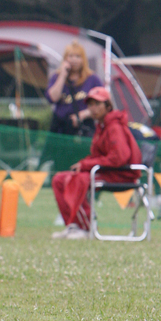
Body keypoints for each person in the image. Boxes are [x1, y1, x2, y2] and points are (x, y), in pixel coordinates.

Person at [51, 87, 142, 240]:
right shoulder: (101, 126)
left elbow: (119, 158)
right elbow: (100, 156)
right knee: (59, 179)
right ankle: (73, 225)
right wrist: (84, 163)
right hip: (107, 172)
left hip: (122, 175)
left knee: (79, 179)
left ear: (108, 106)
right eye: (90, 105)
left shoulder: (114, 126)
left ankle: (86, 228)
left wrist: (87, 165)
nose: (93, 109)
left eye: (98, 104)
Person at [45, 40, 103, 137]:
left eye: (77, 57)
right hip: (61, 127)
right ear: (65, 59)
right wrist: (63, 75)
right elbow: (52, 98)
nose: (74, 60)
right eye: (70, 56)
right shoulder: (57, 77)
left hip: (84, 125)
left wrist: (83, 115)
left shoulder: (92, 79)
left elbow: (103, 103)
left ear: (83, 59)